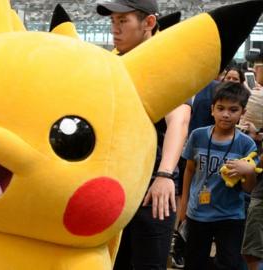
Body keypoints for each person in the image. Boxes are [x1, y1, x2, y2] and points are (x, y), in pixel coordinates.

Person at [97, 1, 192, 269]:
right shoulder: (111, 64)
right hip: (110, 188)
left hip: (151, 193)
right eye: (113, 21)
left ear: (149, 23)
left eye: (123, 21)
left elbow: (179, 120)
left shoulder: (166, 66)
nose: (115, 29)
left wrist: (164, 175)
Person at [179, 81, 258, 270]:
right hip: (198, 213)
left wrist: (249, 171)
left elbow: (248, 188)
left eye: (233, 110)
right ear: (212, 109)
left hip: (230, 216)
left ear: (242, 113)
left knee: (229, 264)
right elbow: (189, 170)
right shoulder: (197, 136)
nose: (226, 114)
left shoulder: (246, 145)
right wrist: (183, 207)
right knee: (194, 262)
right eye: (220, 108)